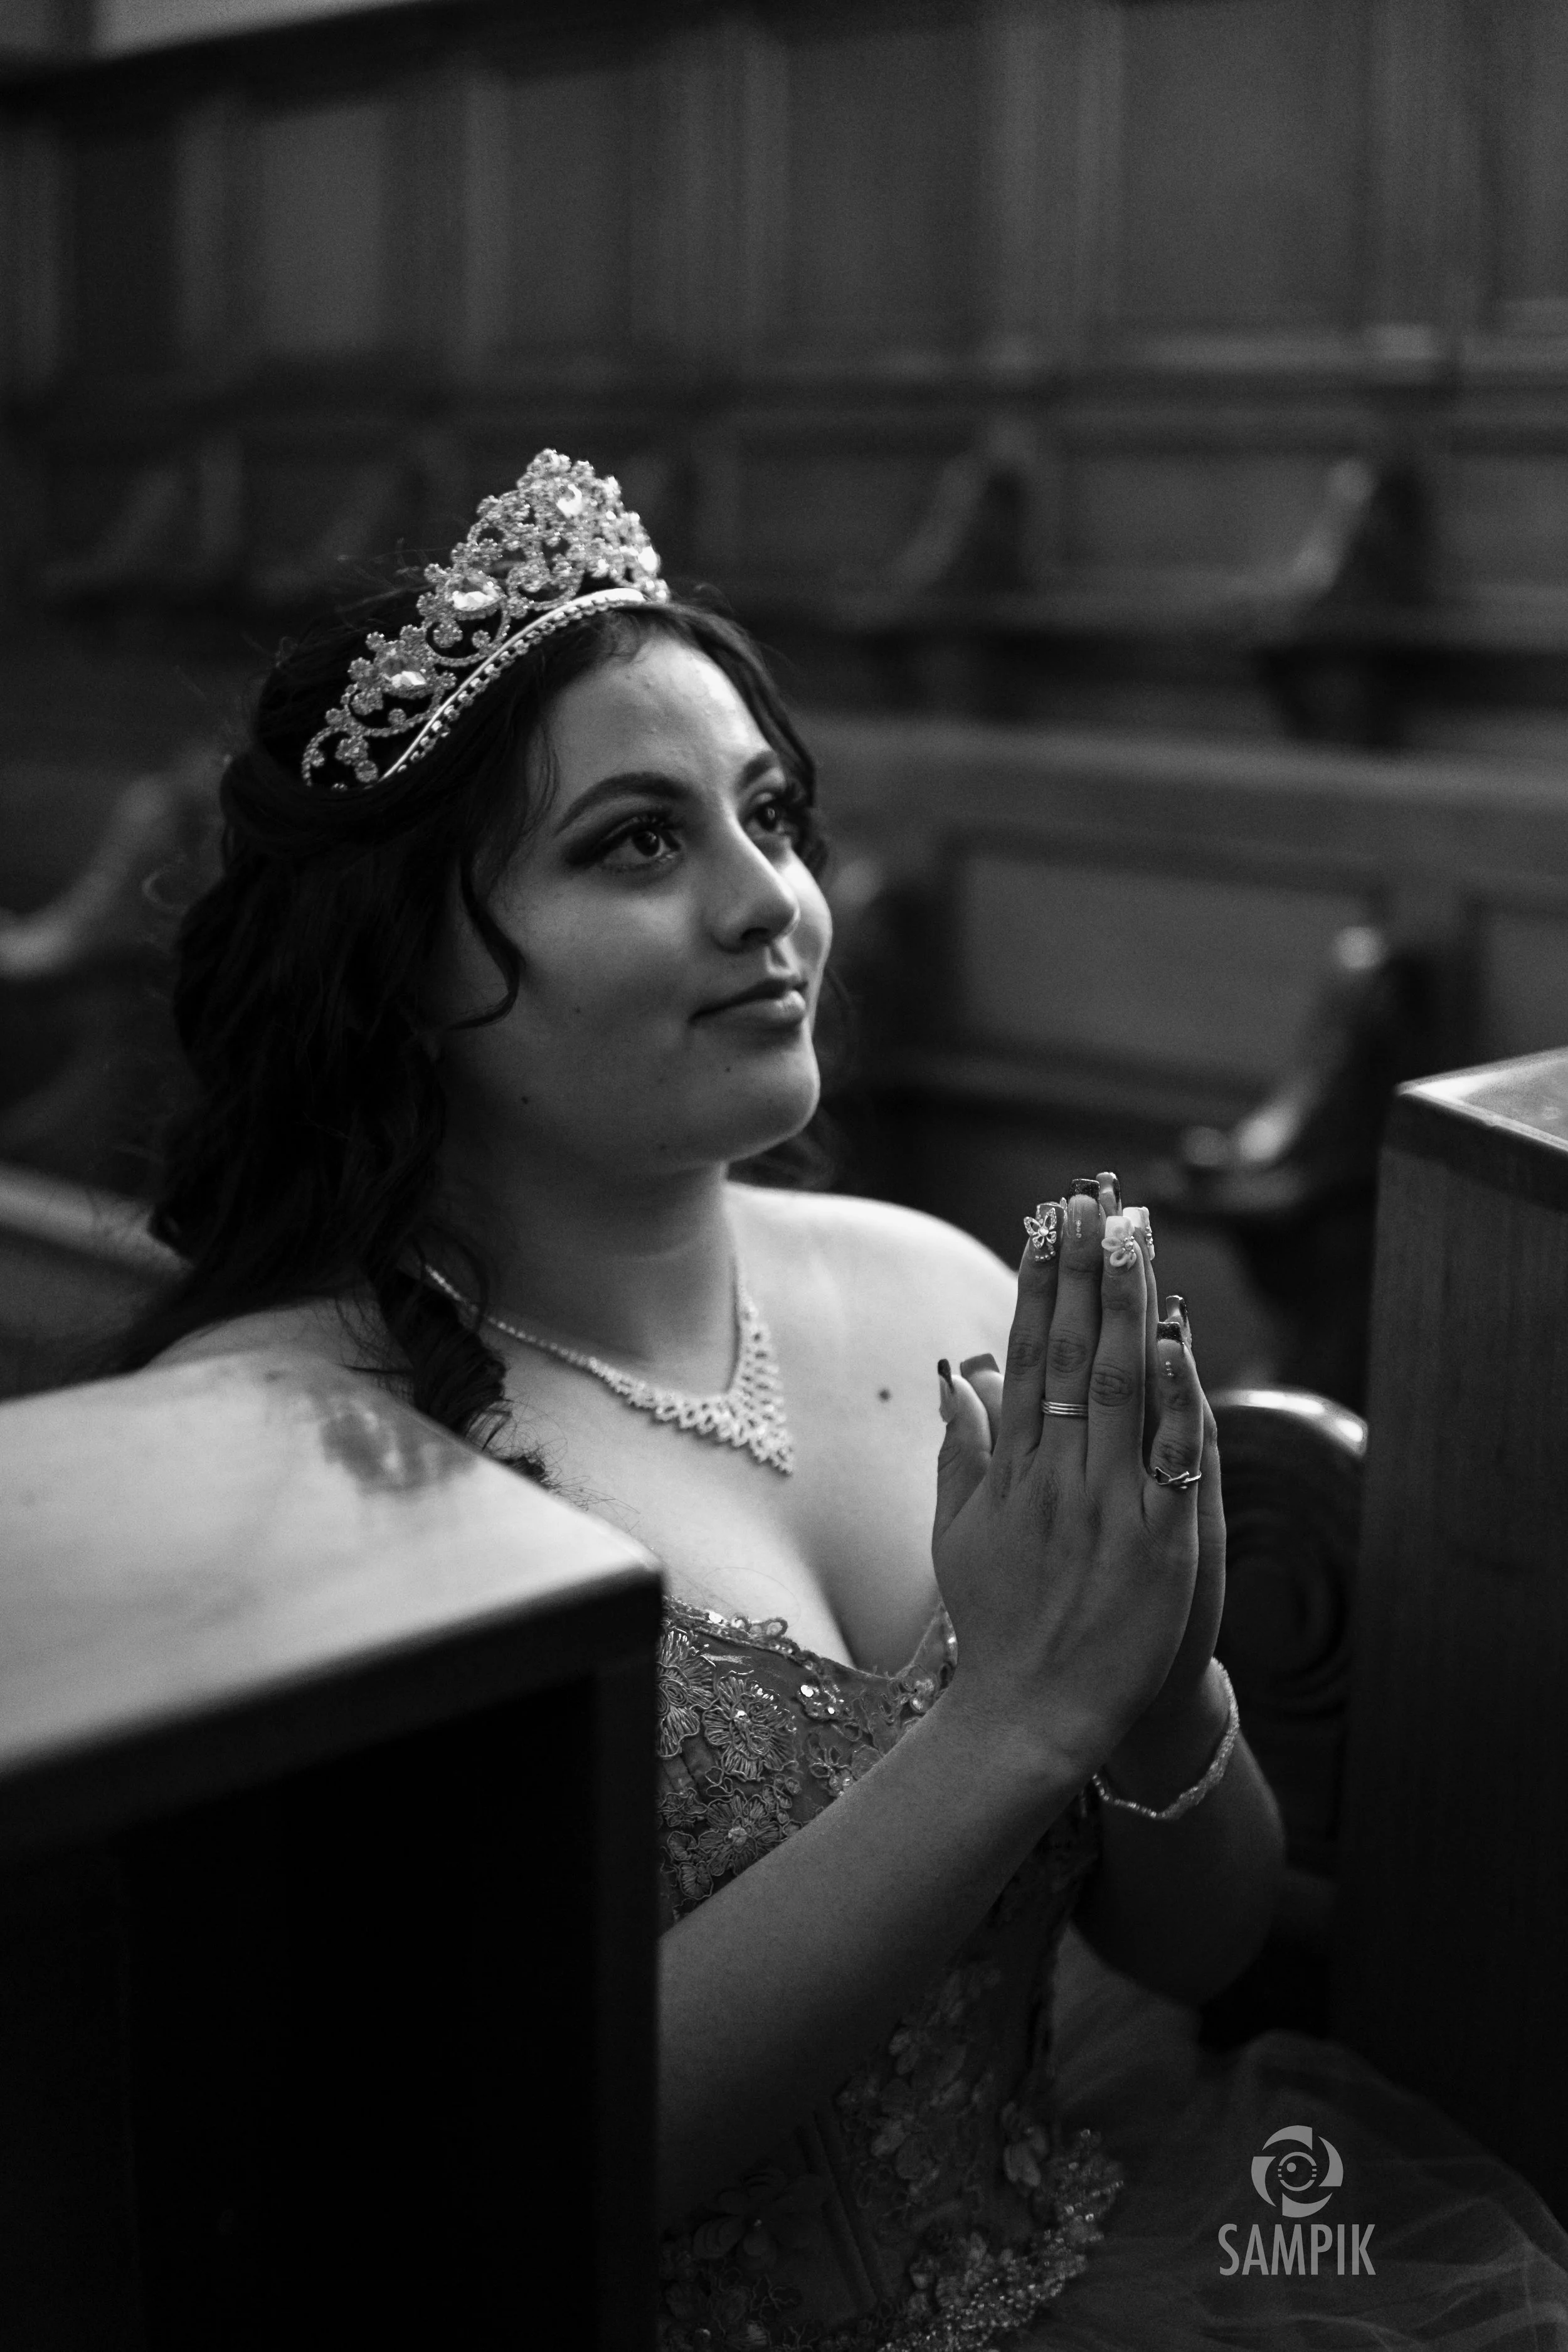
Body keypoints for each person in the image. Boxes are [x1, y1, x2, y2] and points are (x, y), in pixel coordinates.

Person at [125, 453, 1568, 2348]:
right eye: (638, 844)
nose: (773, 905)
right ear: (394, 959)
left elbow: (1186, 1948)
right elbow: (499, 2163)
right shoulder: (281, 1449)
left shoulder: (945, 1290)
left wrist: (1161, 1691)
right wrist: (1017, 1709)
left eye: (770, 814)